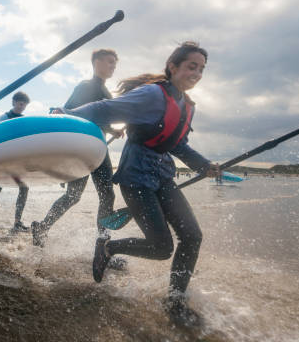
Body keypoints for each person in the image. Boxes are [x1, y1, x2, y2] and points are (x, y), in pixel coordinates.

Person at [59, 41, 219, 327]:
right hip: (135, 178)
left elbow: (178, 144)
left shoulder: (187, 106)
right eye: (191, 66)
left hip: (162, 176)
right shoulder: (152, 95)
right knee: (160, 247)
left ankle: (175, 302)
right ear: (173, 67)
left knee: (192, 237)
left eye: (201, 69)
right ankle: (107, 249)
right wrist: (63, 115)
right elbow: (105, 108)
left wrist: (204, 165)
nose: (197, 73)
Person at [31, 49, 124, 247]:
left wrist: (112, 130)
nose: (113, 66)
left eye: (115, 63)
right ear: (96, 62)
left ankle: (103, 244)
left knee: (99, 195)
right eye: (109, 62)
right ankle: (44, 227)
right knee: (83, 196)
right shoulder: (86, 86)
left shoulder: (106, 91)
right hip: (85, 150)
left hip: (97, 148)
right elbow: (69, 112)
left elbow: (97, 116)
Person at [0, 91, 31, 233]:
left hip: (16, 160)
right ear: (14, 102)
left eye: (25, 104)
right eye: (20, 103)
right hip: (3, 159)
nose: (22, 106)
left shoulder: (24, 120)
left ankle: (17, 222)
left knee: (24, 188)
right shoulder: (4, 117)